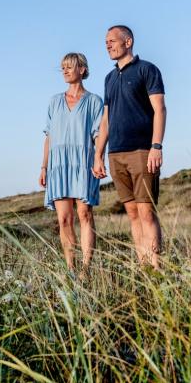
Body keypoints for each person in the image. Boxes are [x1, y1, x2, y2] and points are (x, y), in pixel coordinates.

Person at [92, 26, 166, 269]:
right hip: (116, 153)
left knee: (146, 213)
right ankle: (143, 267)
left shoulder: (147, 70)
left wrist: (156, 146)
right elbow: (106, 119)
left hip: (143, 151)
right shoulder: (109, 78)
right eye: (106, 43)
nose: (108, 46)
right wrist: (98, 155)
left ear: (128, 41)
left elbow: (160, 110)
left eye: (112, 41)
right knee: (132, 214)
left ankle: (157, 269)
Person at [39, 53, 104, 273]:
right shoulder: (54, 101)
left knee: (85, 214)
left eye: (70, 67)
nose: (65, 71)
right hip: (58, 164)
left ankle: (86, 270)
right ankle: (71, 269)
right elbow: (49, 136)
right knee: (64, 219)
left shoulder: (94, 101)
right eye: (63, 68)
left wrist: (98, 159)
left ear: (82, 70)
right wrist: (44, 167)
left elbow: (98, 134)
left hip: (83, 161)